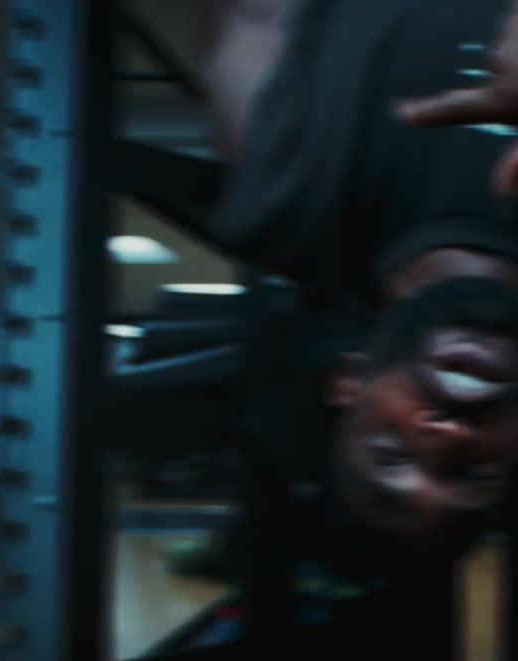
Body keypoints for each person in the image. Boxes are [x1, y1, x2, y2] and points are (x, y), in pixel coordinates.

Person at [202, 0, 518, 559]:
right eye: (474, 475)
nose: (448, 436)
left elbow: (252, 12)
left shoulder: (287, 209)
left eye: (392, 453)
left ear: (349, 381)